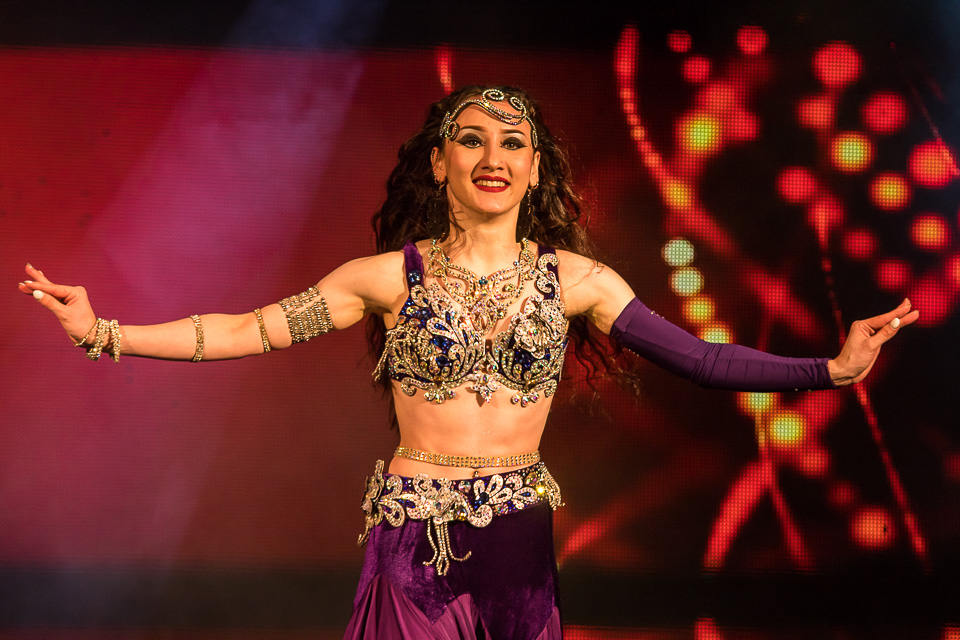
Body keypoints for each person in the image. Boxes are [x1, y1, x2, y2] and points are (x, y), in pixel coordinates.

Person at [18, 85, 918, 640]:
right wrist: (106, 332)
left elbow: (702, 360)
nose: (494, 157)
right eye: (473, 139)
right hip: (412, 542)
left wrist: (829, 371)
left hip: (518, 544)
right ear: (441, 163)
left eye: (513, 142)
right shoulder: (384, 278)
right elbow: (248, 330)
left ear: (536, 171)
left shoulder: (579, 282)